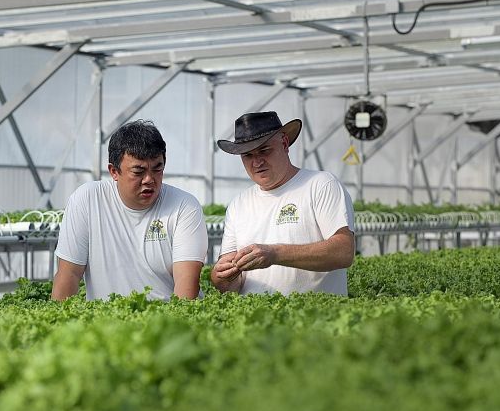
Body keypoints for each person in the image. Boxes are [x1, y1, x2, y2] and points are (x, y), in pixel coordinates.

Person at [51, 120, 207, 301]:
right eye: (138, 171)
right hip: (105, 325)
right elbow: (68, 274)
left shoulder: (184, 206)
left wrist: (169, 328)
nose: (149, 179)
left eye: (157, 169)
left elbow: (186, 284)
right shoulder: (87, 200)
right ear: (114, 171)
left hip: (165, 322)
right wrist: (57, 327)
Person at [210, 111, 355, 295]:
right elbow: (233, 285)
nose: (257, 162)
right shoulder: (238, 205)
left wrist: (275, 254)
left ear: (284, 143)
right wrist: (220, 277)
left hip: (316, 319)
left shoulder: (320, 185)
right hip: (255, 320)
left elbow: (343, 251)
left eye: (264, 150)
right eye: (248, 155)